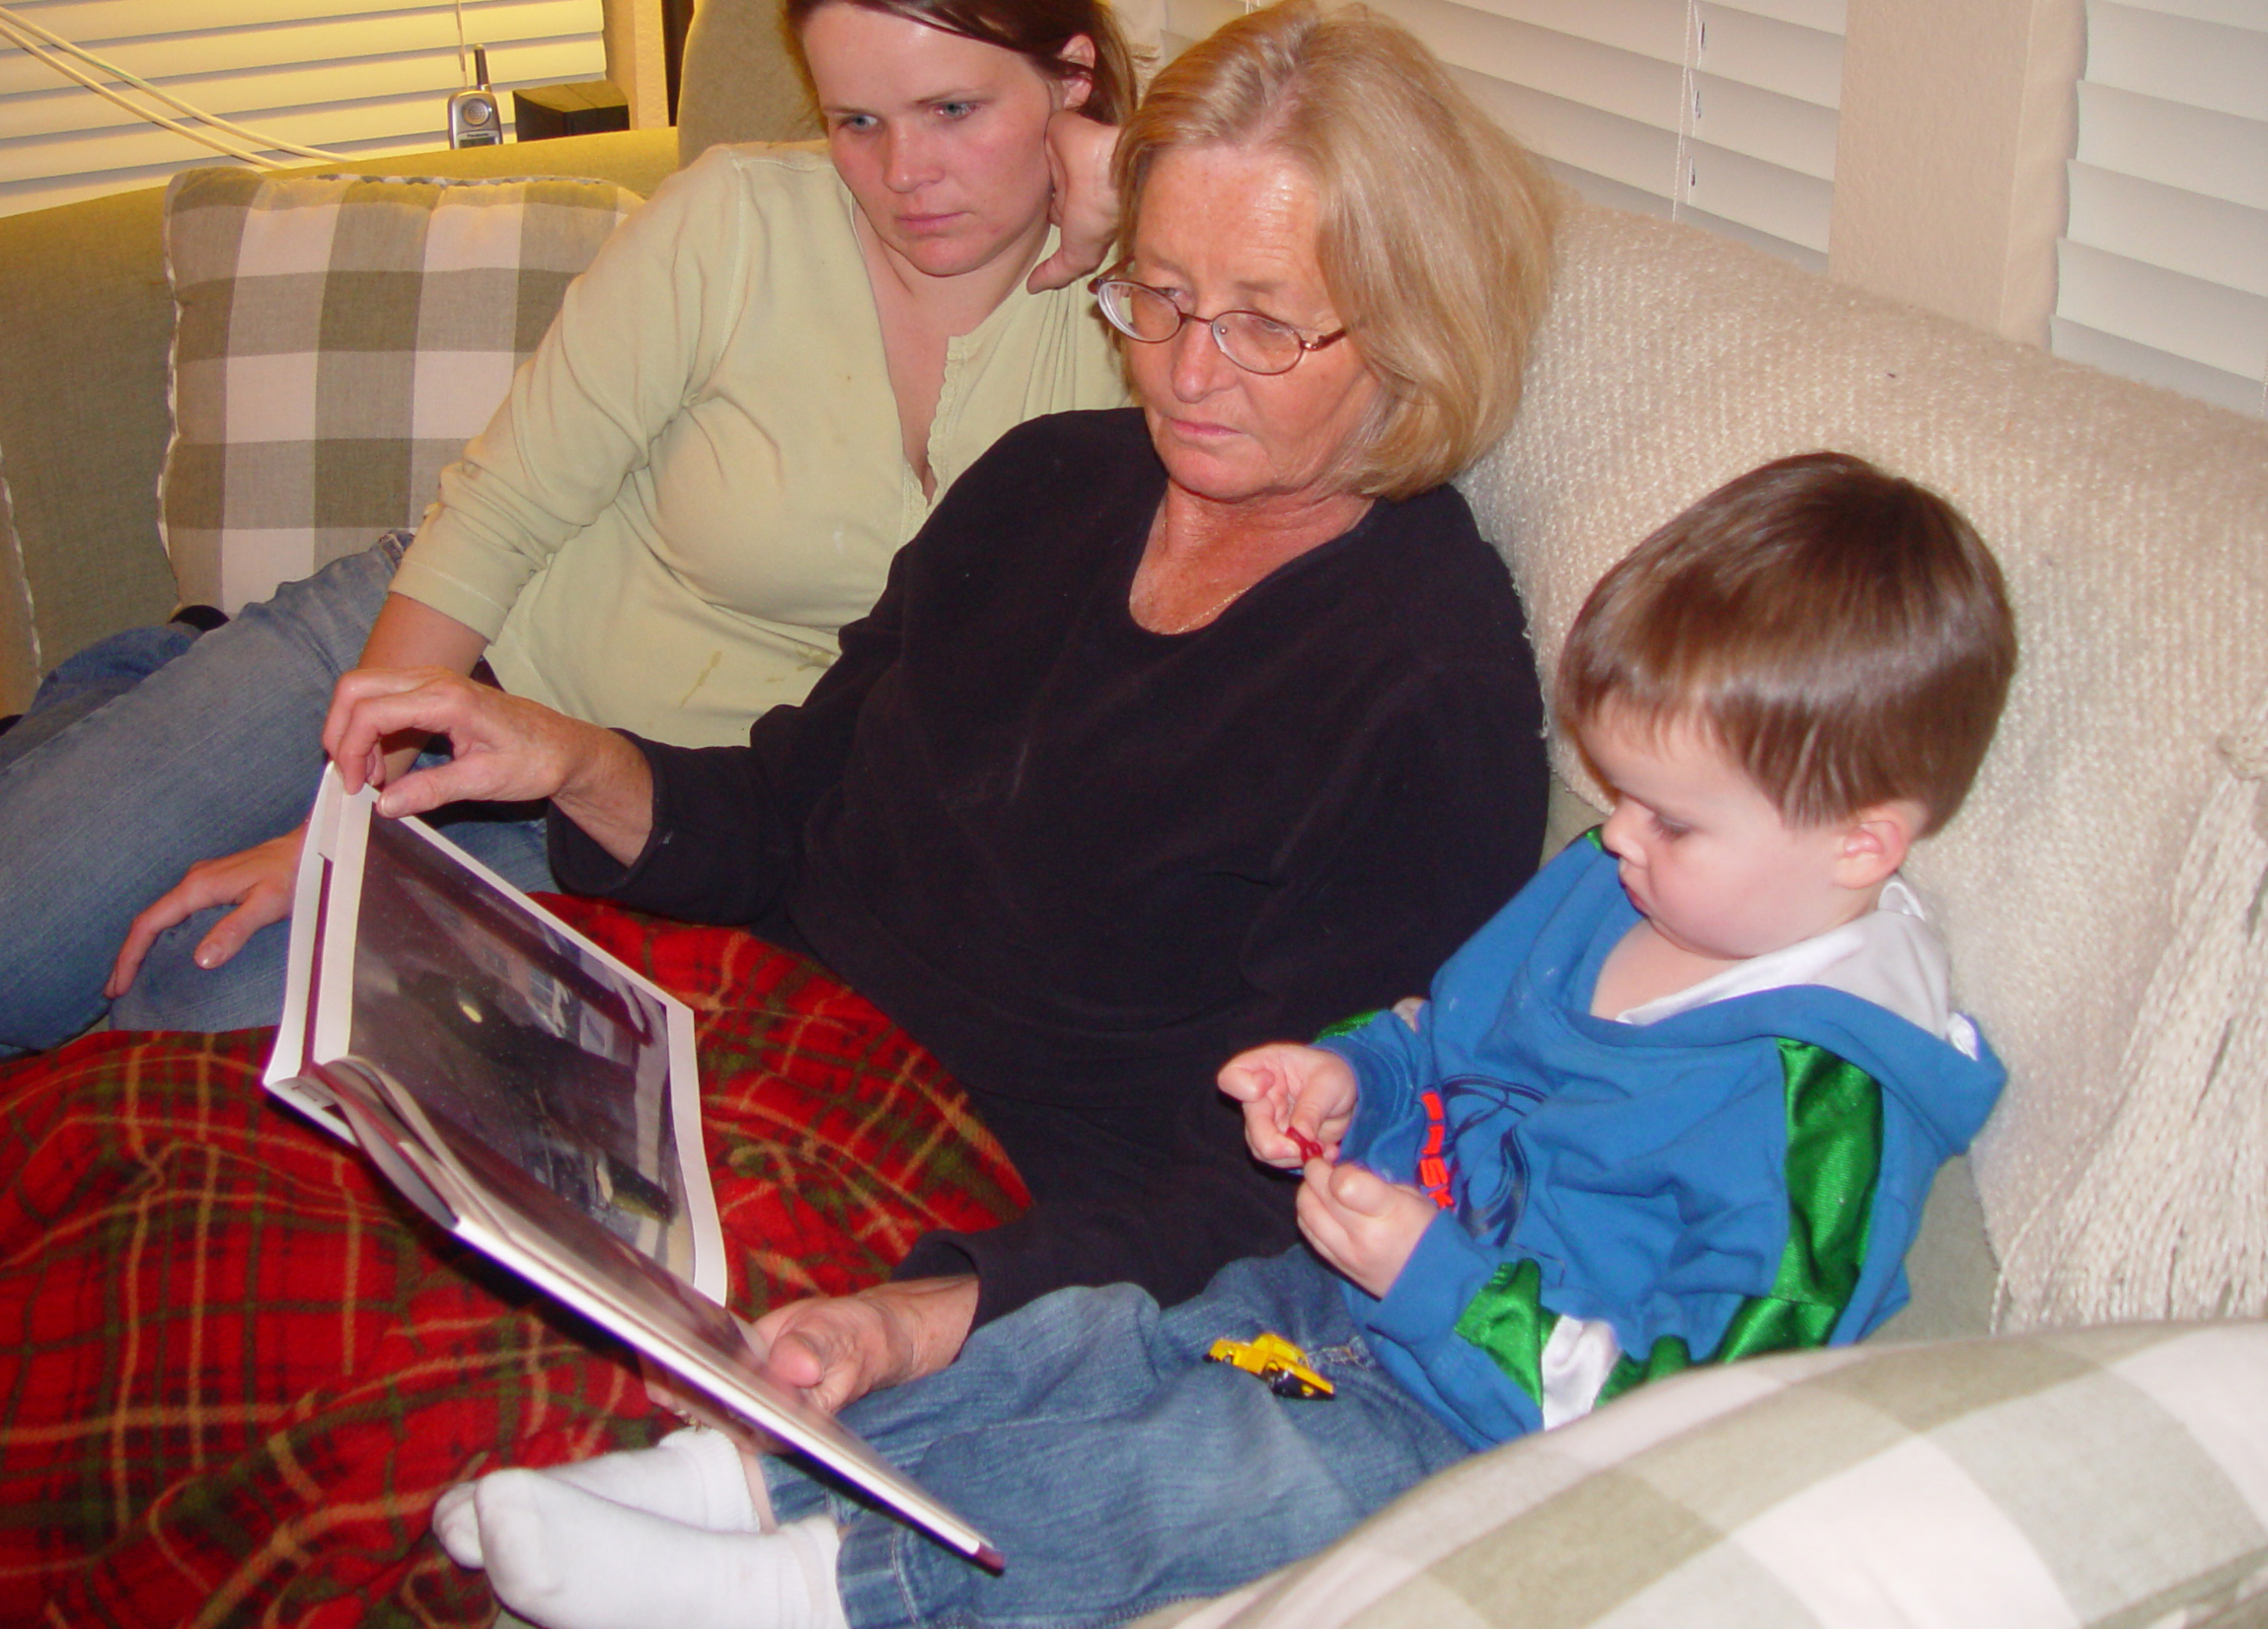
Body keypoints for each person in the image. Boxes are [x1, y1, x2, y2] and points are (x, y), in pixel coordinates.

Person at [0, 0, 1555, 1623]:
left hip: (959, 1197)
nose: (1182, 368)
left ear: (1406, 334)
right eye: (1154, 294)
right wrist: (572, 760)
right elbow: (792, 801)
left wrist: (945, 1306)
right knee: (166, 1137)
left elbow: (1291, 1181)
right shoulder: (1051, 485)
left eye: (1261, 323)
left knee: (348, 1383)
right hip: (727, 1027)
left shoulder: (1426, 684)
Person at [433, 451, 2017, 1629]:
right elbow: (1429, 1027)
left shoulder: (1825, 1106)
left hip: (1465, 1437)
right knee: (1097, 1339)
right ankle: (741, 1479)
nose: (1617, 843)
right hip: (1332, 1304)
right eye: (1615, 798)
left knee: (1201, 1469)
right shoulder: (1615, 895)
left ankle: (823, 1592)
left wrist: (1439, 1278)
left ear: (1864, 843)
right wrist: (1345, 1072)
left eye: (1672, 820)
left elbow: (1700, 1403)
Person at [0, 0, 1136, 1059]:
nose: (904, 174)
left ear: (1068, 79)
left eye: (955, 109)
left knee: (191, 1001)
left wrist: (1137, 178)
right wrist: (337, 828)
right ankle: (143, 685)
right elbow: (503, 510)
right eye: (857, 121)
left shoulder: (1152, 316)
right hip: (459, 643)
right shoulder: (739, 221)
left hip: (628, 805)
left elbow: (1314, 277)